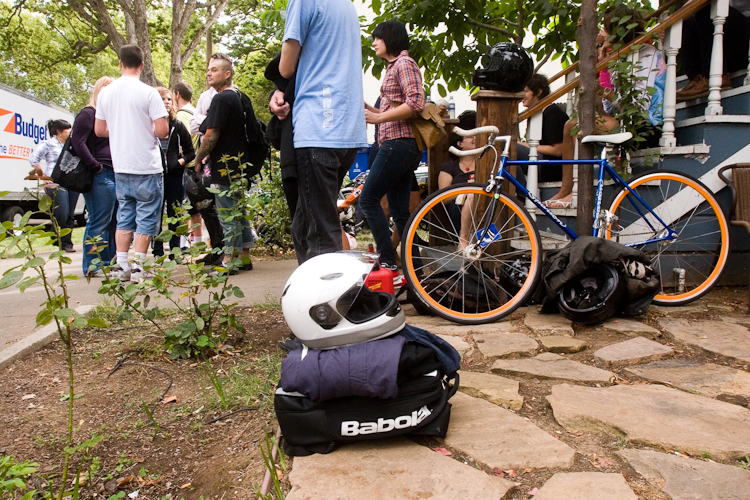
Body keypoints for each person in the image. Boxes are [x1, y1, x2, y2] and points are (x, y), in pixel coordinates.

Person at [269, 0, 368, 264]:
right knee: (304, 226)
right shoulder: (345, 5)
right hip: (347, 129)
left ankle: (328, 290)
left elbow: (286, 67)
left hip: (319, 126)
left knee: (321, 234)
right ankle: (307, 288)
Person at [548, 7, 664, 208]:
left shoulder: (647, 55)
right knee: (570, 125)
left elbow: (638, 105)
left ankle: (573, 191)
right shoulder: (620, 56)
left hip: (646, 124)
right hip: (625, 119)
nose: (601, 33)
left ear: (618, 31)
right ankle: (565, 189)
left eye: (605, 28)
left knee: (575, 126)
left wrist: (604, 91)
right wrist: (602, 60)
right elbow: (606, 110)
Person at [94, 44, 169, 282]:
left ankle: (122, 266)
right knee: (146, 216)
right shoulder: (149, 93)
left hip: (121, 165)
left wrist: (120, 130)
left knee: (124, 216)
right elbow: (162, 130)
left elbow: (99, 130)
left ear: (120, 63)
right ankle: (139, 267)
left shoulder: (106, 93)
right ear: (142, 65)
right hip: (146, 164)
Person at [361, 20, 425, 283]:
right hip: (399, 143)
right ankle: (416, 271)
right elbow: (392, 113)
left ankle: (388, 261)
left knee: (368, 200)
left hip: (398, 143)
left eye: (378, 38)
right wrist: (370, 110)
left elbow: (416, 103)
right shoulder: (394, 66)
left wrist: (377, 118)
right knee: (400, 213)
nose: (374, 42)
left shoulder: (404, 64)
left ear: (390, 38)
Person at [194, 53, 254, 271]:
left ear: (227, 74)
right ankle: (244, 257)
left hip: (224, 166)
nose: (209, 73)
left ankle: (229, 261)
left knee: (227, 214)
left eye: (215, 70)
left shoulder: (221, 99)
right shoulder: (239, 96)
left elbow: (211, 134)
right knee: (239, 212)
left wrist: (199, 158)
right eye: (208, 70)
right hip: (240, 165)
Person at [71, 76, 116, 275]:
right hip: (100, 174)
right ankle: (92, 265)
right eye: (105, 88)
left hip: (115, 173)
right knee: (99, 221)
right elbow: (77, 142)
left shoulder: (111, 117)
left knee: (113, 221)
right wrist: (94, 165)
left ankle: (108, 261)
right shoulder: (89, 113)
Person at [676, 0, 750, 100]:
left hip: (745, 44)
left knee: (709, 9)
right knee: (688, 21)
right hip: (727, 47)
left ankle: (712, 77)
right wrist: (669, 24)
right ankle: (698, 79)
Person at [153, 87, 195, 258]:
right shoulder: (149, 125)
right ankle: (157, 251)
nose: (167, 102)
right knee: (155, 214)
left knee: (175, 213)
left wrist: (180, 162)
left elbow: (191, 151)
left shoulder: (177, 125)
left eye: (169, 99)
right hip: (155, 176)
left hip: (175, 176)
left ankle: (175, 251)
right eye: (163, 99)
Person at [29, 119, 78, 252]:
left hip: (72, 181)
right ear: (59, 131)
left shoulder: (72, 144)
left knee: (70, 214)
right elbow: (33, 159)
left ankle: (66, 243)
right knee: (62, 212)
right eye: (67, 130)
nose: (70, 132)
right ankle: (56, 235)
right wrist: (43, 177)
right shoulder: (49, 144)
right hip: (55, 182)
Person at [173, 81, 204, 249]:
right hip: (199, 165)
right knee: (196, 207)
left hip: (187, 166)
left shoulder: (181, 116)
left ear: (177, 95)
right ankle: (198, 242)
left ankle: (183, 243)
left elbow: (182, 141)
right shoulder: (195, 112)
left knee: (183, 207)